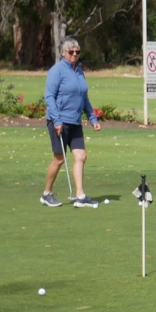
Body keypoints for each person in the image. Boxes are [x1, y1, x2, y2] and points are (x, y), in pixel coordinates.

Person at [42, 36, 100, 208]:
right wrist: (57, 120)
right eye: (71, 51)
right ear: (63, 53)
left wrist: (92, 118)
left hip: (75, 121)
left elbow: (84, 97)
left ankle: (80, 196)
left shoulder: (79, 71)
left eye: (77, 51)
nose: (75, 54)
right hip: (59, 121)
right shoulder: (57, 70)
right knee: (59, 159)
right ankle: (47, 193)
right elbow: (49, 97)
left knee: (81, 156)